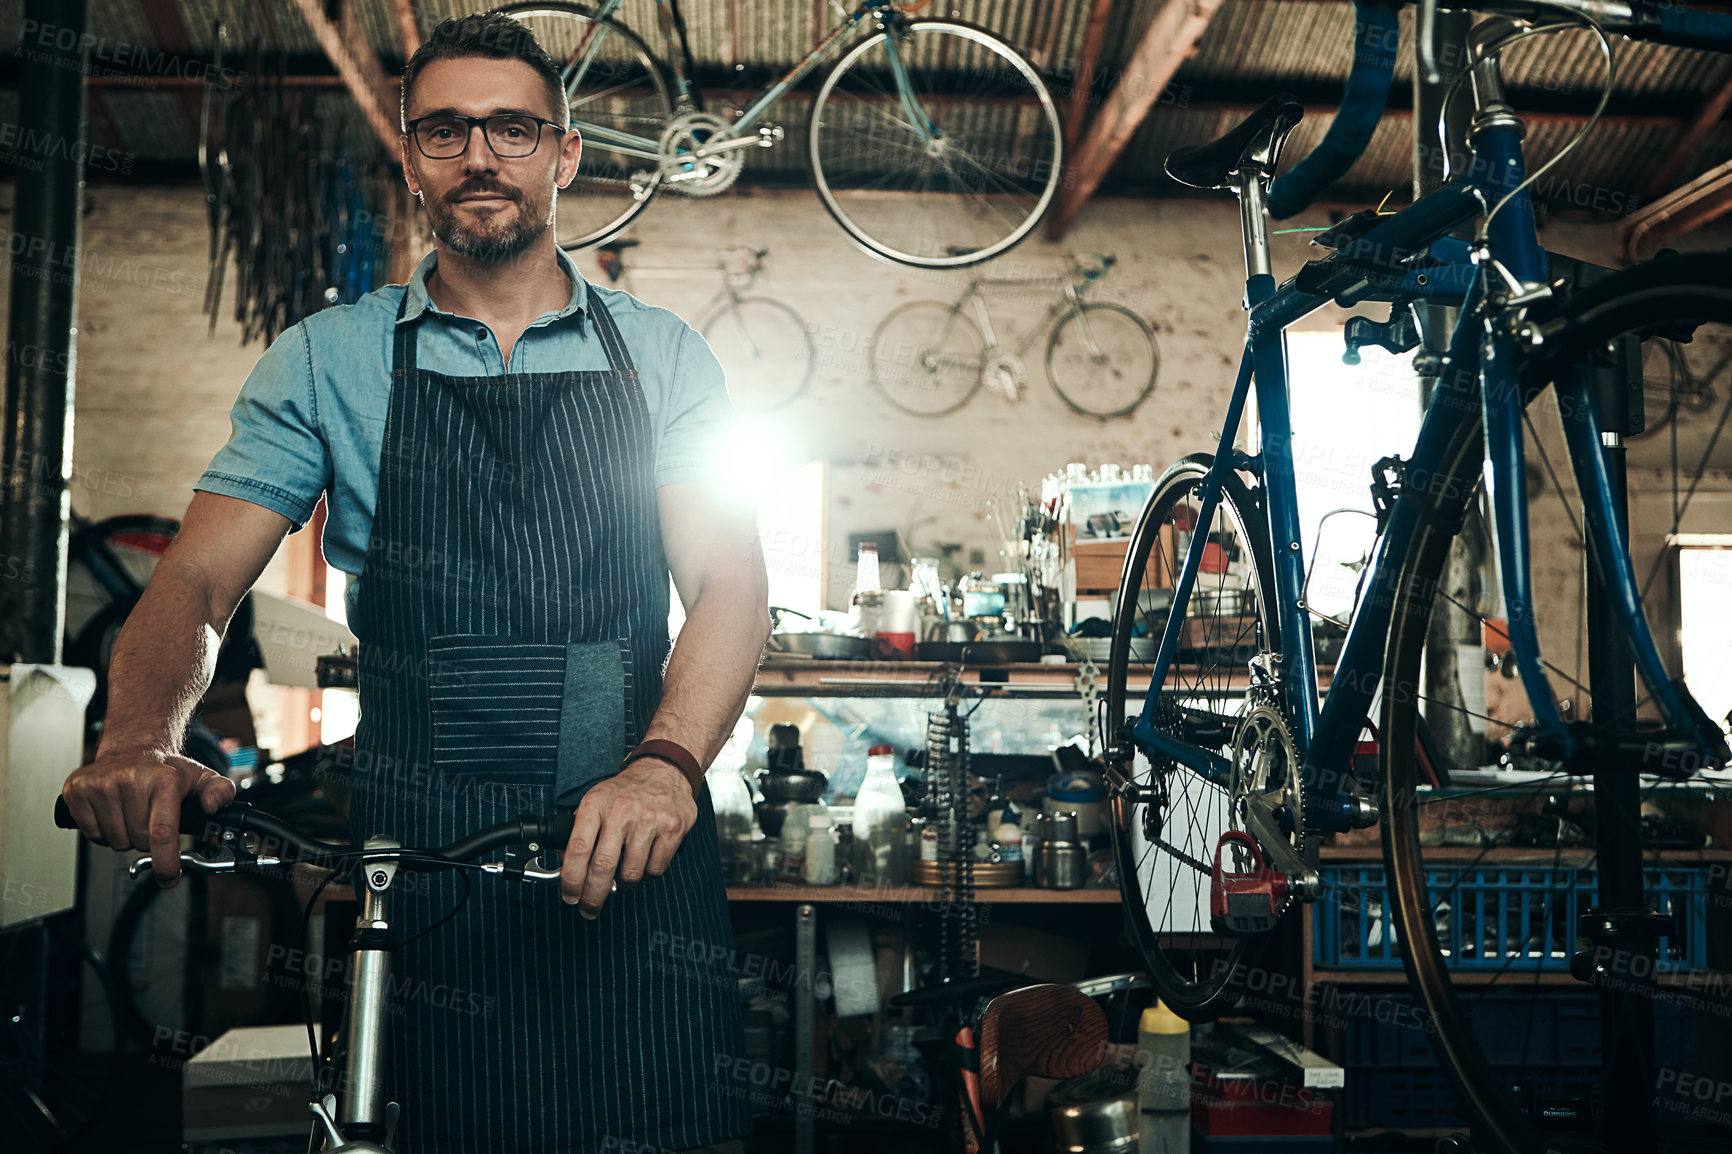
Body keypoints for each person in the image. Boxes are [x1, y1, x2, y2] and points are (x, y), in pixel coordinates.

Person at [60, 13, 766, 1153]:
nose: (479, 154)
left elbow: (729, 579)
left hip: (631, 844)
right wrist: (139, 731)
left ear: (564, 153)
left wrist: (667, 764)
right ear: (410, 156)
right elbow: (194, 577)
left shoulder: (664, 355)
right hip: (420, 870)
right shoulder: (327, 356)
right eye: (445, 129)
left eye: (511, 127)